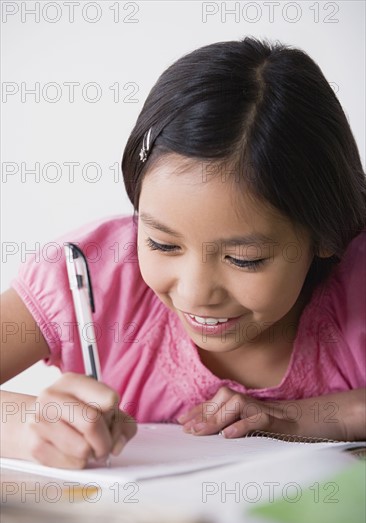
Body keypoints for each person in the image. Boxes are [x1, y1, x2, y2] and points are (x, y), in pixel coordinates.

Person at [1, 37, 365, 469]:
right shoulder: (94, 276)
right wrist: (26, 428)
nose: (195, 294)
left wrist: (311, 418)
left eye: (244, 258)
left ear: (325, 232)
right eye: (162, 244)